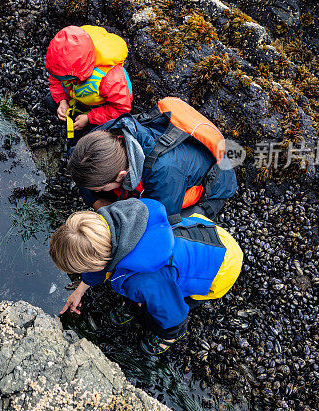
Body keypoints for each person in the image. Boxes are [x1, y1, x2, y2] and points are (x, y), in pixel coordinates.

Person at [49, 198, 243, 355]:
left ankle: (169, 337)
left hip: (221, 267)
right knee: (147, 290)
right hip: (204, 234)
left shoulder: (144, 280)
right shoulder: (117, 221)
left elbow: (173, 312)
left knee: (160, 308)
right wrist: (80, 289)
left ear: (97, 263)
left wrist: (169, 331)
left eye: (84, 268)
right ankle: (139, 303)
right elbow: (100, 264)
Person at [68, 113, 237, 218]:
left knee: (173, 227)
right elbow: (77, 163)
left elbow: (161, 224)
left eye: (100, 188)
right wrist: (97, 201)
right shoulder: (101, 137)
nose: (96, 191)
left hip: (216, 185)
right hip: (175, 164)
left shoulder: (164, 173)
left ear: (121, 175)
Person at [45, 25, 133, 134]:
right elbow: (55, 80)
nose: (63, 79)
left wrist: (89, 118)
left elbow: (121, 110)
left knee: (96, 135)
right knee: (50, 101)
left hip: (103, 107)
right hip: (81, 98)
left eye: (68, 78)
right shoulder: (59, 64)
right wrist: (62, 101)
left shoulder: (111, 78)